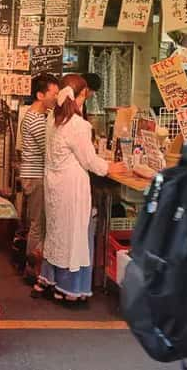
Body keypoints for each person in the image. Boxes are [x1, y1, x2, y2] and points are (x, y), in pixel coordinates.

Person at [32, 74, 122, 302]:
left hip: (54, 184)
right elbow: (90, 162)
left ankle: (48, 280)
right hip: (72, 187)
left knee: (55, 233)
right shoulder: (78, 125)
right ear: (81, 95)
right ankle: (69, 289)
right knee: (74, 236)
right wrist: (113, 166)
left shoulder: (53, 118)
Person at [20, 74, 59, 282]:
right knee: (38, 224)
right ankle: (31, 269)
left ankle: (35, 267)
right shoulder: (36, 119)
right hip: (35, 176)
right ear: (40, 94)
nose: (56, 97)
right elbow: (50, 149)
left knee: (39, 223)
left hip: (35, 175)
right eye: (53, 93)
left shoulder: (40, 115)